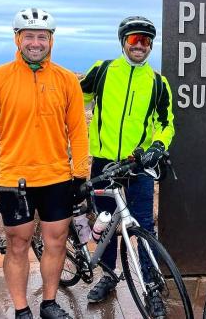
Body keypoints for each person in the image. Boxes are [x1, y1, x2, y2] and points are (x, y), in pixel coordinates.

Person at [0, 8, 89, 319]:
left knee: (55, 242)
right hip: (16, 179)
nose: (36, 42)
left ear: (51, 41)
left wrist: (80, 174)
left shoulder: (67, 80)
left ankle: (49, 304)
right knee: (18, 245)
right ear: (17, 38)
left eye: (43, 36)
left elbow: (78, 131)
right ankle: (21, 309)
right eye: (29, 36)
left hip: (57, 176)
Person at [79, 16, 174, 312]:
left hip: (138, 166)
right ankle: (108, 276)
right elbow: (73, 100)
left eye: (146, 41)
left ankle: (150, 284)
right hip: (105, 163)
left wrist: (158, 146)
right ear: (123, 42)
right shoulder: (103, 71)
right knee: (105, 222)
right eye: (135, 39)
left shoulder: (158, 83)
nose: (140, 46)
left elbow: (166, 123)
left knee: (143, 225)